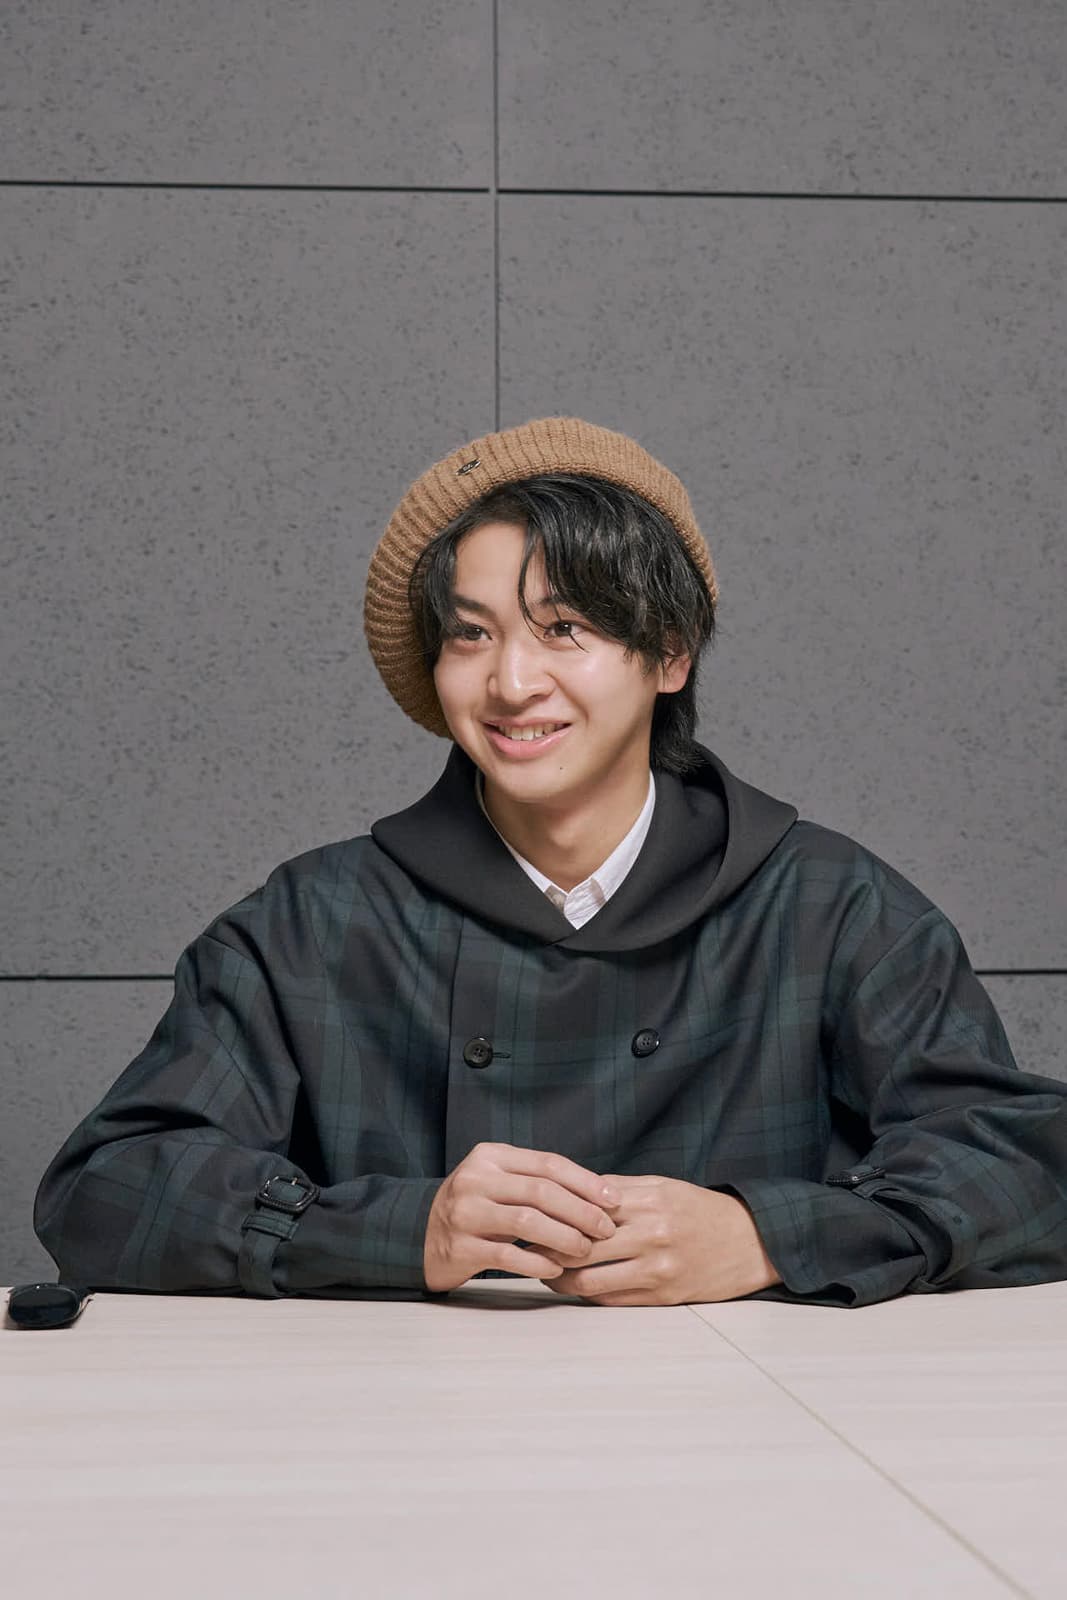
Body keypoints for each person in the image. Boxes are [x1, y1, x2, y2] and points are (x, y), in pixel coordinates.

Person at [34, 417, 1067, 1308]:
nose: (511, 682)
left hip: (752, 1435)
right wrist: (405, 1230)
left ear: (669, 654)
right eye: (470, 635)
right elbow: (104, 1190)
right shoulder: (314, 922)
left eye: (563, 627)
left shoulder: (828, 906)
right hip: (401, 1432)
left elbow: (1025, 1164)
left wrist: (764, 1237)